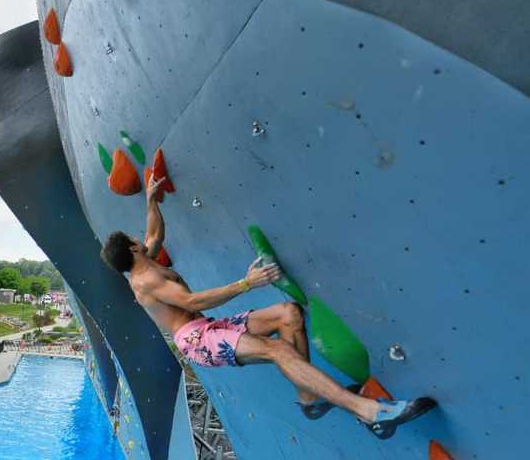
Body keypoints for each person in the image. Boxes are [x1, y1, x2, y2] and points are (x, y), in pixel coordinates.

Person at [99, 174, 435, 439]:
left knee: (289, 315)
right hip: (196, 340)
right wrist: (247, 284)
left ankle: (310, 400)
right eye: (136, 239)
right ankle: (369, 412)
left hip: (207, 328)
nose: (143, 239)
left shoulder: (144, 262)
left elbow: (154, 232)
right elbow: (192, 301)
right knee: (277, 350)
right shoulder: (146, 282)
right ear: (132, 248)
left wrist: (150, 200)